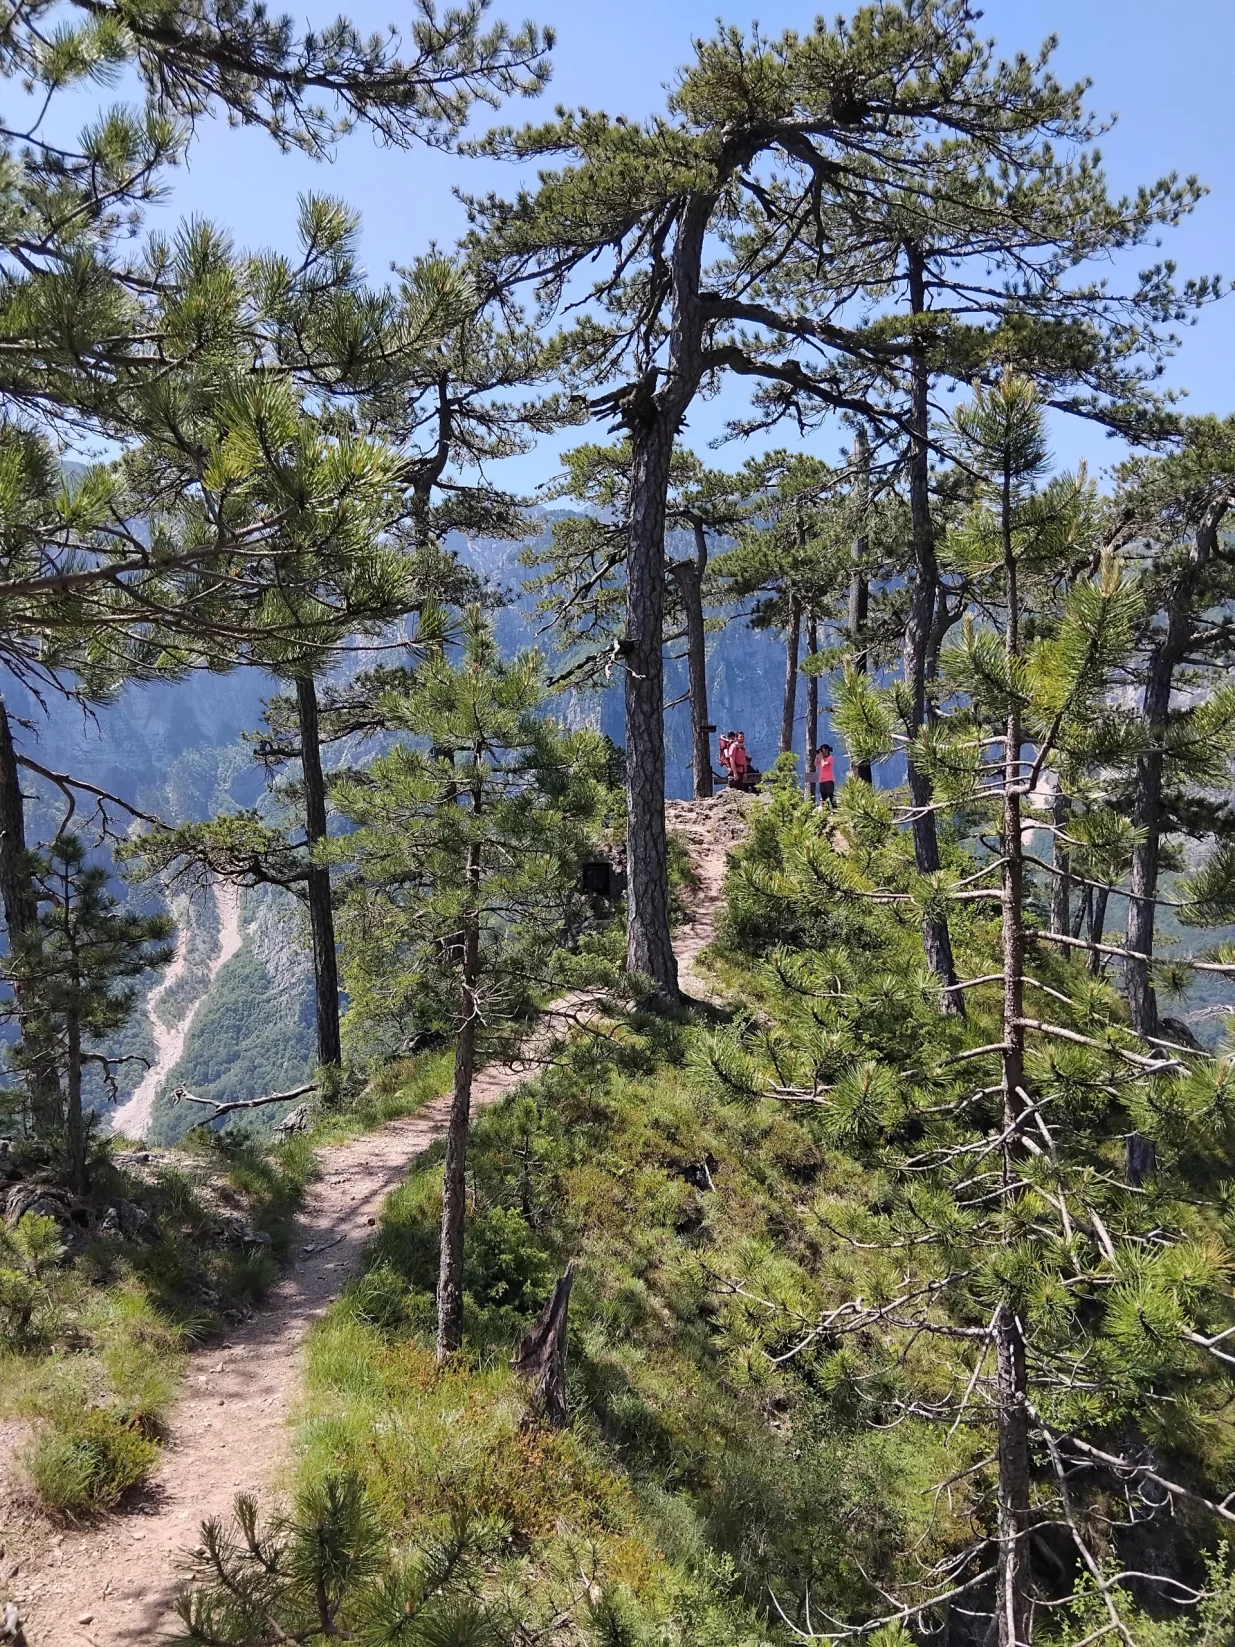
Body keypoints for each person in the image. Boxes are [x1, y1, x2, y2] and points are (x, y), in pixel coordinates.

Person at [815, 743, 835, 808]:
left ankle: (835, 809)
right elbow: (815, 763)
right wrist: (817, 756)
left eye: (822, 750)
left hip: (829, 780)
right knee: (823, 796)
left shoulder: (830, 758)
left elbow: (823, 765)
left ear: (827, 750)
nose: (822, 752)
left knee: (831, 795)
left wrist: (821, 758)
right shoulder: (822, 759)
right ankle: (825, 810)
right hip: (821, 780)